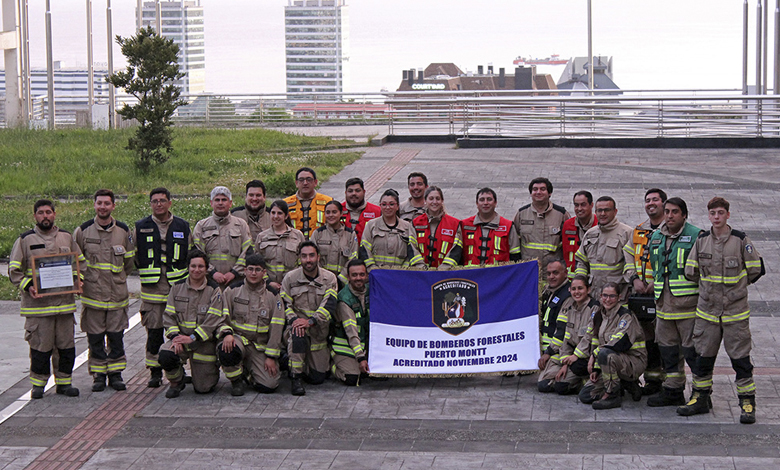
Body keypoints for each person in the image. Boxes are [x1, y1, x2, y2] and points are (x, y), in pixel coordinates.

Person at [678, 197, 764, 424]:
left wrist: (735, 291)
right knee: (702, 359)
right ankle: (700, 398)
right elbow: (691, 271)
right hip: (707, 314)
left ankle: (747, 403)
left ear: (727, 215)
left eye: (720, 213)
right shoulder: (702, 241)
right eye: (712, 213)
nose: (716, 217)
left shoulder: (740, 240)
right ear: (708, 216)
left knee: (741, 360)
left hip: (735, 314)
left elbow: (756, 269)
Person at [9, 199, 83, 399]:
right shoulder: (25, 240)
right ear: (35, 216)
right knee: (40, 348)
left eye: (48, 212)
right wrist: (29, 286)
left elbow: (80, 264)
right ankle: (38, 385)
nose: (45, 216)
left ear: (54, 214)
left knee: (66, 347)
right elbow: (14, 270)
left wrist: (78, 282)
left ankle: (64, 383)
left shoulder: (67, 237)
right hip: (38, 308)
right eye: (40, 213)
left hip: (64, 306)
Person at [74, 189, 135, 392]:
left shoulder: (123, 231)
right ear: (94, 205)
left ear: (113, 206)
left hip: (117, 296)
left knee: (116, 337)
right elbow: (76, 262)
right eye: (99, 203)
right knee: (95, 338)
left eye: (106, 203)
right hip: (93, 297)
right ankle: (98, 375)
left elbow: (129, 263)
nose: (102, 207)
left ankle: (116, 374)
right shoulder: (82, 231)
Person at [646, 197, 702, 407]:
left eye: (675, 212)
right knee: (667, 351)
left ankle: (701, 393)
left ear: (684, 215)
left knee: (693, 352)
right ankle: (673, 390)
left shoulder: (697, 236)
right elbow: (654, 266)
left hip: (688, 308)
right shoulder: (657, 236)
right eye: (667, 211)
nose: (670, 216)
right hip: (663, 307)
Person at [133, 187, 191, 388]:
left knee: (180, 331)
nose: (159, 204)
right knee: (155, 332)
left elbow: (190, 253)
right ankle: (155, 372)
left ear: (170, 203)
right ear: (150, 204)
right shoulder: (140, 227)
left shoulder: (183, 226)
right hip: (152, 291)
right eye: (155, 201)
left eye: (162, 200)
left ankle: (179, 368)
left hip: (177, 289)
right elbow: (134, 256)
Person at [158, 249, 225, 398]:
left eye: (201, 266)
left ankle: (207, 374)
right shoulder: (176, 287)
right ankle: (177, 381)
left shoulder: (214, 290)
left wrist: (193, 337)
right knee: (166, 355)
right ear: (188, 267)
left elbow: (212, 321)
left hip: (203, 342)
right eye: (193, 266)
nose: (196, 270)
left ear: (207, 269)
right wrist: (175, 337)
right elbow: (169, 316)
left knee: (203, 388)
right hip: (180, 340)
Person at [216, 254, 285, 396]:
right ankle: (236, 380)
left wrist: (271, 356)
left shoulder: (273, 296)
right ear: (244, 270)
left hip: (260, 347)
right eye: (250, 269)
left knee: (270, 386)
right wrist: (227, 334)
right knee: (227, 350)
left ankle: (248, 372)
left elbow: (277, 327)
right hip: (238, 340)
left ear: (264, 273)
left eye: (258, 270)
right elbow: (221, 317)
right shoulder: (232, 290)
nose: (254, 273)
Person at [623, 188, 668, 396]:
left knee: (667, 340)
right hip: (641, 294)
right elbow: (628, 257)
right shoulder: (639, 231)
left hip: (665, 296)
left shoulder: (673, 229)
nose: (651, 203)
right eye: (648, 200)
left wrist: (657, 283)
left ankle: (670, 383)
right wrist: (633, 279)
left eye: (655, 200)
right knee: (647, 339)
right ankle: (652, 380)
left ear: (664, 204)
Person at [281, 241, 338, 396]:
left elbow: (329, 305)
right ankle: (295, 378)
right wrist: (295, 322)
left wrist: (311, 321)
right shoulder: (290, 278)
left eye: (312, 255)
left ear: (318, 257)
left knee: (317, 378)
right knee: (297, 336)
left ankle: (287, 360)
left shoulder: (329, 278)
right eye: (304, 256)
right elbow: (285, 304)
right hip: (296, 328)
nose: (308, 260)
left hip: (318, 332)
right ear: (299, 258)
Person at [579, 282, 647, 409]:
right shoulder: (599, 315)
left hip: (633, 362)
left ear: (619, 297)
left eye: (612, 296)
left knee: (606, 354)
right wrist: (596, 369)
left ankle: (612, 395)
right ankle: (624, 384)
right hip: (609, 362)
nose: (608, 300)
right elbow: (594, 342)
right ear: (600, 296)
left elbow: (618, 343)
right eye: (605, 295)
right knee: (586, 395)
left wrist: (595, 355)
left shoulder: (626, 316)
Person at [537, 275, 599, 395]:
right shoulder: (568, 307)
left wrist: (575, 356)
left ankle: (582, 381)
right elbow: (564, 337)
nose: (577, 292)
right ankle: (569, 377)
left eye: (580, 288)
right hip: (570, 357)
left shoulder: (594, 308)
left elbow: (589, 337)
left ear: (588, 290)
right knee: (543, 385)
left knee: (561, 387)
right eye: (574, 289)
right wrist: (564, 362)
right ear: (569, 290)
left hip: (584, 357)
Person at [193, 186, 253, 290]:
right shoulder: (201, 226)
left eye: (224, 200)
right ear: (211, 203)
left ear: (230, 203)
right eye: (217, 200)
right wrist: (213, 272)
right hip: (209, 283)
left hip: (236, 283)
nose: (220, 203)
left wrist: (234, 273)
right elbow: (197, 253)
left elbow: (247, 252)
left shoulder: (241, 225)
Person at [443, 188, 521, 266]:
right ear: (477, 203)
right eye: (482, 200)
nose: (485, 203)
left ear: (495, 203)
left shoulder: (508, 226)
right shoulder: (464, 225)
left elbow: (515, 255)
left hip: (498, 275)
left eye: (489, 199)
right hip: (471, 275)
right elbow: (456, 252)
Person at [574, 196, 633, 300]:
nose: (602, 214)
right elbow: (582, 261)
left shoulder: (627, 233)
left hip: (617, 298)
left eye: (607, 210)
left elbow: (632, 266)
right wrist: (581, 282)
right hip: (593, 297)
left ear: (615, 211)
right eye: (599, 210)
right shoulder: (590, 233)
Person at [360, 189, 425, 270]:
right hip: (376, 275)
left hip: (399, 276)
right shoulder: (371, 225)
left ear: (397, 206)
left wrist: (403, 270)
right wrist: (372, 269)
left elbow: (412, 252)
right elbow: (365, 250)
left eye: (391, 204)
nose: (387, 207)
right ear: (380, 206)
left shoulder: (407, 227)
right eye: (384, 204)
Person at [332, 259, 371, 386]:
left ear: (367, 276)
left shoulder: (372, 291)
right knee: (352, 378)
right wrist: (361, 357)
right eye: (354, 275)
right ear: (348, 277)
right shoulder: (344, 299)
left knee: (379, 376)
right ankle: (330, 364)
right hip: (345, 346)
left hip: (364, 344)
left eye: (362, 274)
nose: (358, 278)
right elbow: (351, 332)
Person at [515, 177, 570, 264]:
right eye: (535, 189)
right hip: (529, 268)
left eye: (543, 189)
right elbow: (515, 240)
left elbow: (569, 241)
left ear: (550, 193)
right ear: (531, 193)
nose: (538, 192)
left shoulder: (561, 214)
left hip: (552, 270)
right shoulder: (522, 214)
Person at [255, 200, 305, 292]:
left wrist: (292, 281)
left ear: (286, 216)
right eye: (273, 213)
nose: (275, 216)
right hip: (268, 288)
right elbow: (258, 264)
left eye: (279, 213)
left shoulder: (297, 236)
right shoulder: (262, 237)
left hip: (293, 286)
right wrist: (268, 282)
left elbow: (301, 261)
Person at [311, 200, 358, 286]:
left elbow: (353, 259)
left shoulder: (350, 234)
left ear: (341, 214)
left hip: (344, 283)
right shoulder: (318, 234)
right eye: (328, 212)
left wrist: (341, 280)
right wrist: (322, 277)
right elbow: (312, 257)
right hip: (321, 282)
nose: (331, 215)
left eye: (334, 212)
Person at [412, 186, 461, 268]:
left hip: (445, 274)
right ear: (425, 200)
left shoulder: (454, 224)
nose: (434, 202)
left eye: (437, 199)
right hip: (421, 274)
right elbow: (412, 247)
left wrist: (443, 269)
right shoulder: (416, 223)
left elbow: (456, 250)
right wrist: (421, 267)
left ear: (442, 201)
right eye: (431, 198)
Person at [284, 167, 333, 240]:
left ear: (315, 182)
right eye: (301, 180)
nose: (305, 183)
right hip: (294, 245)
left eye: (309, 180)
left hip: (320, 245)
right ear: (296, 183)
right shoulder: (286, 203)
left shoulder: (327, 201)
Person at [538, 259, 571, 353]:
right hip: (544, 350)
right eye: (548, 274)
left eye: (555, 273)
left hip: (557, 352)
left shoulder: (568, 295)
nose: (551, 277)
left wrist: (550, 352)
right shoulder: (547, 292)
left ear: (565, 273)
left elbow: (562, 329)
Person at [562, 191, 597, 278]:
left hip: (594, 278)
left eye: (583, 204)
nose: (579, 208)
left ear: (591, 205)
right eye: (576, 205)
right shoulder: (568, 225)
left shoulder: (599, 224)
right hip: (572, 279)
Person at [342, 177, 380, 243]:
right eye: (350, 191)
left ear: (364, 192)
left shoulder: (377, 211)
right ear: (345, 193)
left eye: (357, 190)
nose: (354, 193)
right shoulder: (337, 210)